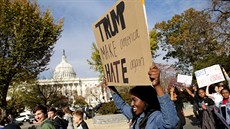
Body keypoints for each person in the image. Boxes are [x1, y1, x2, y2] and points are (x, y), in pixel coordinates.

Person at [104, 64, 179, 129]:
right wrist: (111, 87)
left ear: (145, 100)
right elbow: (122, 106)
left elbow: (171, 123)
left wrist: (157, 86)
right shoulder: (135, 114)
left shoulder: (155, 117)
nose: (132, 104)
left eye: (134, 100)